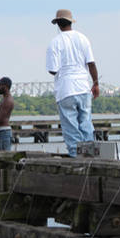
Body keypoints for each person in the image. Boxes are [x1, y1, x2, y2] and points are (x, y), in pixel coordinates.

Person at [46, 9, 100, 157]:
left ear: (57, 24)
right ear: (71, 22)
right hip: (83, 88)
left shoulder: (55, 42)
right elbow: (91, 63)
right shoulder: (83, 38)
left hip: (66, 90)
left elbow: (53, 70)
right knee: (86, 124)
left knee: (71, 129)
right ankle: (90, 158)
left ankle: (76, 158)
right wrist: (95, 83)